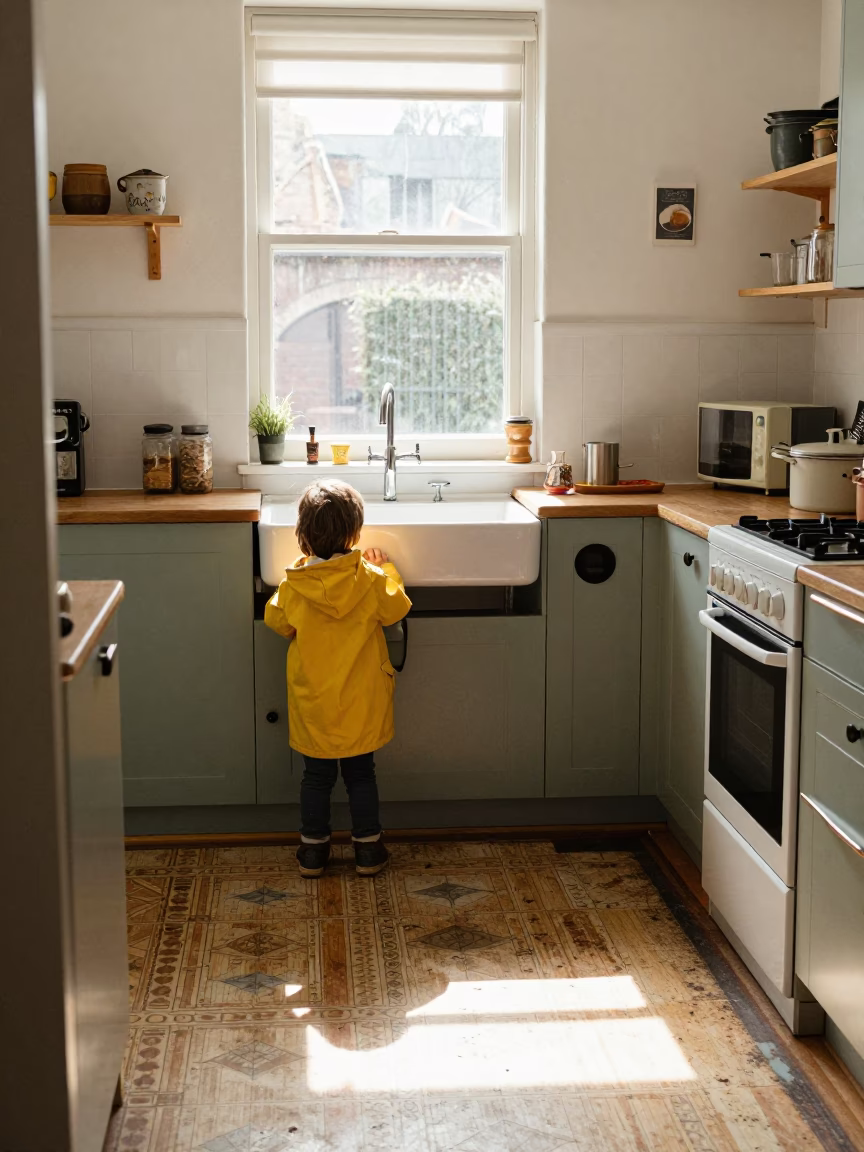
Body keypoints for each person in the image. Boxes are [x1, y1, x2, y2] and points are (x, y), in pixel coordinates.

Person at [264, 479, 411, 878]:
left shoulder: (296, 586)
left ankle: (313, 851)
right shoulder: (369, 579)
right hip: (361, 701)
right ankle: (368, 850)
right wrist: (387, 567)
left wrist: (297, 571)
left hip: (315, 703)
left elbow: (276, 620)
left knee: (316, 777)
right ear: (355, 534)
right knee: (361, 775)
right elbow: (396, 607)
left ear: (302, 536)